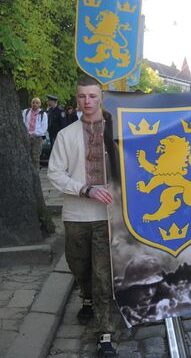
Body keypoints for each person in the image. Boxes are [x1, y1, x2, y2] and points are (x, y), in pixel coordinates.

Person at [47, 76, 117, 357]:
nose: (87, 102)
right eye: (82, 97)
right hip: (76, 214)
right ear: (76, 99)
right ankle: (86, 298)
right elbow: (54, 173)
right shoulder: (66, 135)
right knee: (80, 267)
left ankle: (106, 334)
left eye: (92, 96)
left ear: (101, 98)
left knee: (102, 274)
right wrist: (85, 189)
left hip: (108, 216)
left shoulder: (116, 131)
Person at [22, 97, 48, 172]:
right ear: (31, 103)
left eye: (37, 103)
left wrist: (35, 133)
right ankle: (27, 171)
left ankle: (35, 172)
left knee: (36, 156)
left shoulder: (43, 114)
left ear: (40, 104)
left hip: (37, 138)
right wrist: (27, 134)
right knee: (26, 154)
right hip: (27, 137)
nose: (35, 104)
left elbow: (44, 128)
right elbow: (23, 124)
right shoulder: (26, 112)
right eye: (33, 102)